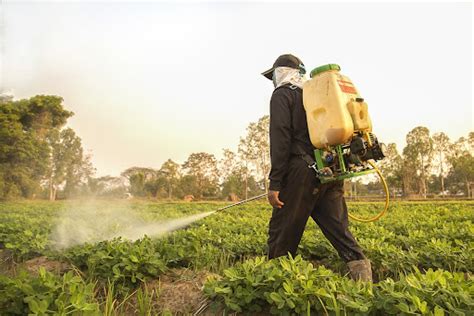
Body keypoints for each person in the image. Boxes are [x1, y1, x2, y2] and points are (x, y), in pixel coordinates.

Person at [261, 54, 372, 282]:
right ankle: (364, 282)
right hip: (329, 170)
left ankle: (273, 286)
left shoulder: (283, 95)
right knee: (339, 230)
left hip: (300, 173)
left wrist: (275, 183)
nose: (273, 80)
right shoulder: (317, 97)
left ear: (281, 72)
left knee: (282, 232)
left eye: (273, 75)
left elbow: (280, 139)